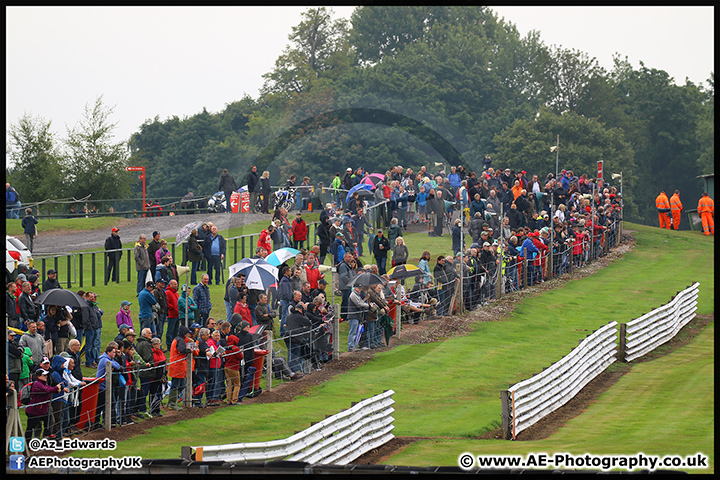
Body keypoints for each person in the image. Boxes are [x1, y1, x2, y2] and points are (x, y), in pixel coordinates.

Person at [25, 368, 65, 441]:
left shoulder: (44, 384)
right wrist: (56, 387)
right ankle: (27, 445)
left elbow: (50, 389)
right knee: (30, 429)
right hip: (34, 411)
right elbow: (46, 390)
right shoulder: (37, 384)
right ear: (38, 376)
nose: (46, 376)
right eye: (44, 375)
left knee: (48, 417)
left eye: (46, 375)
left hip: (40, 410)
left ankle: (47, 432)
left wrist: (57, 389)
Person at [167, 325, 197, 410]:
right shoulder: (180, 340)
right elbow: (181, 350)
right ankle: (172, 403)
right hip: (178, 366)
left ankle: (172, 402)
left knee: (181, 384)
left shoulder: (177, 339)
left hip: (178, 365)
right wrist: (189, 350)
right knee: (176, 385)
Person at [165, 279, 180, 351]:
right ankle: (169, 345)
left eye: (176, 284)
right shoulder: (168, 292)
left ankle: (174, 344)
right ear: (170, 284)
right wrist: (173, 308)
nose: (176, 285)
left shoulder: (176, 293)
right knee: (170, 331)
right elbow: (167, 303)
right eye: (174, 284)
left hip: (177, 314)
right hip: (171, 315)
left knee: (176, 331)